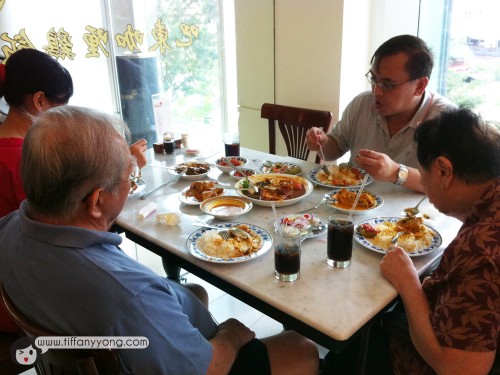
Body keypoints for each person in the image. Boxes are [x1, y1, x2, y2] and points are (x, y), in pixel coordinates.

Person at [0, 106, 319, 374]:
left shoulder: (8, 229)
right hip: (202, 364)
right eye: (128, 176)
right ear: (96, 202)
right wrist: (232, 335)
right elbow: (207, 368)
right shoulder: (130, 295)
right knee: (301, 347)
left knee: (193, 291)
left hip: (92, 334)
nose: (130, 184)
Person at [380, 107, 499, 374]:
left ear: (444, 171)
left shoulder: (481, 248)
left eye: (424, 175)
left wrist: (407, 280)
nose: (424, 183)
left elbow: (461, 370)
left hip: (416, 362)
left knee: (355, 341)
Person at [0, 48, 147, 219]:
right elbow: (72, 218)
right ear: (39, 100)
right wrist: (123, 168)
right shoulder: (26, 157)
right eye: (62, 106)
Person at [306, 34, 456, 192]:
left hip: (411, 214)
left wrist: (396, 173)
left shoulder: (447, 120)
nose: (376, 91)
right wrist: (322, 143)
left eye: (388, 84)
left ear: (420, 85)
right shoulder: (362, 104)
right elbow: (333, 150)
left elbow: (448, 185)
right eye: (373, 79)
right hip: (350, 205)